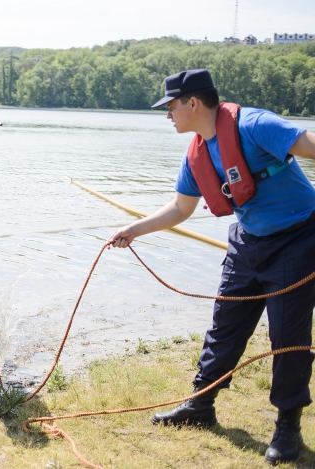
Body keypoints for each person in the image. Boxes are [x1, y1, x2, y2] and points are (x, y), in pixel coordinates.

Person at [108, 69, 315, 465]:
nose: (167, 114)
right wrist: (134, 230)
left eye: (170, 106)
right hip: (248, 243)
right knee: (224, 328)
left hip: (298, 239)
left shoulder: (255, 125)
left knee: (287, 336)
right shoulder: (198, 152)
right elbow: (181, 208)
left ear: (192, 103)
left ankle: (288, 426)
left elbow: (309, 143)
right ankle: (200, 405)